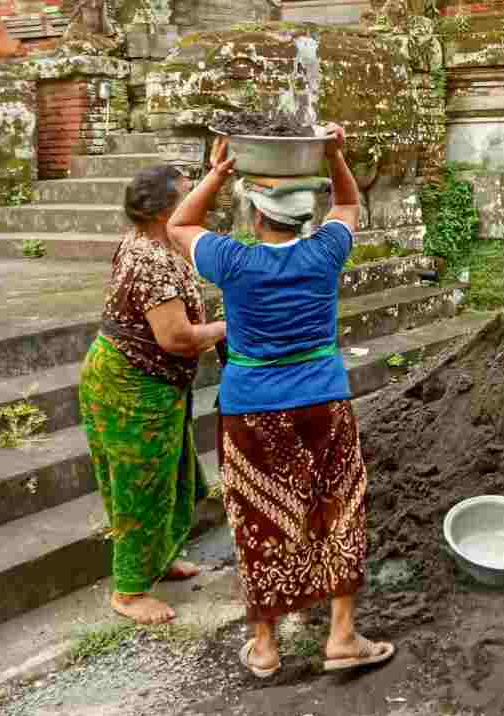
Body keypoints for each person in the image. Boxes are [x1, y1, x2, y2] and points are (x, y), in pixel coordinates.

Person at [167, 125, 394, 679]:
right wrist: (338, 155)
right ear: (302, 217)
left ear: (257, 217)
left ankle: (266, 645)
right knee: (338, 506)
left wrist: (217, 175)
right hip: (323, 399)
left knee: (258, 516)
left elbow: (180, 223)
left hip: (251, 407)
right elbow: (347, 201)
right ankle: (341, 635)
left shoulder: (233, 262)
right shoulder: (324, 252)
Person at [79, 164, 227, 626]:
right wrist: (229, 327)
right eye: (189, 193)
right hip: (129, 385)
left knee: (172, 475)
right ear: (165, 209)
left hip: (152, 382)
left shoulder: (162, 242)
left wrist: (218, 171)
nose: (199, 198)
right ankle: (129, 591)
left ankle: (158, 559)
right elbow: (177, 338)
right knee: (140, 486)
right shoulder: (152, 260)